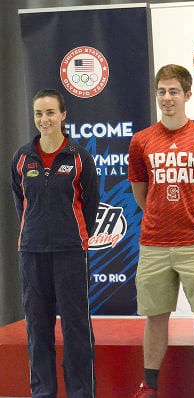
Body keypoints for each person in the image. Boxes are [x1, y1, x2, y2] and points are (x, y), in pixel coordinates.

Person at [128, 64, 194, 398]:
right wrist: (160, 215)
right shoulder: (141, 140)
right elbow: (141, 193)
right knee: (156, 317)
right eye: (161, 91)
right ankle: (149, 386)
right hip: (155, 244)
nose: (167, 98)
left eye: (173, 91)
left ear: (187, 95)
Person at [11, 88, 99, 397]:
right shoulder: (22, 158)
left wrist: (69, 233)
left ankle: (80, 393)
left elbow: (90, 205)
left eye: (50, 113)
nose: (44, 119)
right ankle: (43, 393)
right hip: (32, 252)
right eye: (39, 113)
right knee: (38, 330)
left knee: (76, 330)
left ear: (63, 115)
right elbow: (21, 204)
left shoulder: (79, 158)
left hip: (70, 252)